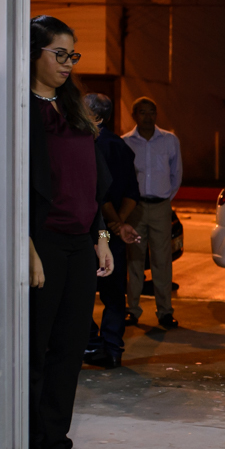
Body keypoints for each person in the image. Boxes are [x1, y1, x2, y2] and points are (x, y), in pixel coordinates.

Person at [28, 15, 114, 449]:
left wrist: (100, 237)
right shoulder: (23, 111)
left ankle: (58, 448)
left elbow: (91, 184)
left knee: (69, 351)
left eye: (71, 55)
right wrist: (26, 245)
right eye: (58, 53)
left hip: (80, 243)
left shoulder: (73, 107)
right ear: (34, 53)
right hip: (41, 243)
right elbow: (13, 183)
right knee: (36, 352)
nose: (67, 63)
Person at [83, 93, 141, 369]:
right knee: (114, 292)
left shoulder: (91, 145)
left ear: (96, 117)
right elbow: (132, 192)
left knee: (81, 289)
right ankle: (112, 346)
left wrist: (112, 224)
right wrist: (121, 222)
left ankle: (92, 343)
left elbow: (99, 195)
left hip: (97, 231)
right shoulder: (122, 146)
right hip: (112, 232)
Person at [123, 97, 182, 329]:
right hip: (135, 209)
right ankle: (132, 310)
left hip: (160, 207)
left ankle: (165, 312)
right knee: (135, 260)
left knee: (162, 261)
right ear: (134, 115)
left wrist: (165, 198)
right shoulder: (126, 142)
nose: (148, 117)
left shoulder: (169, 140)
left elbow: (176, 175)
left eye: (152, 112)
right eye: (142, 112)